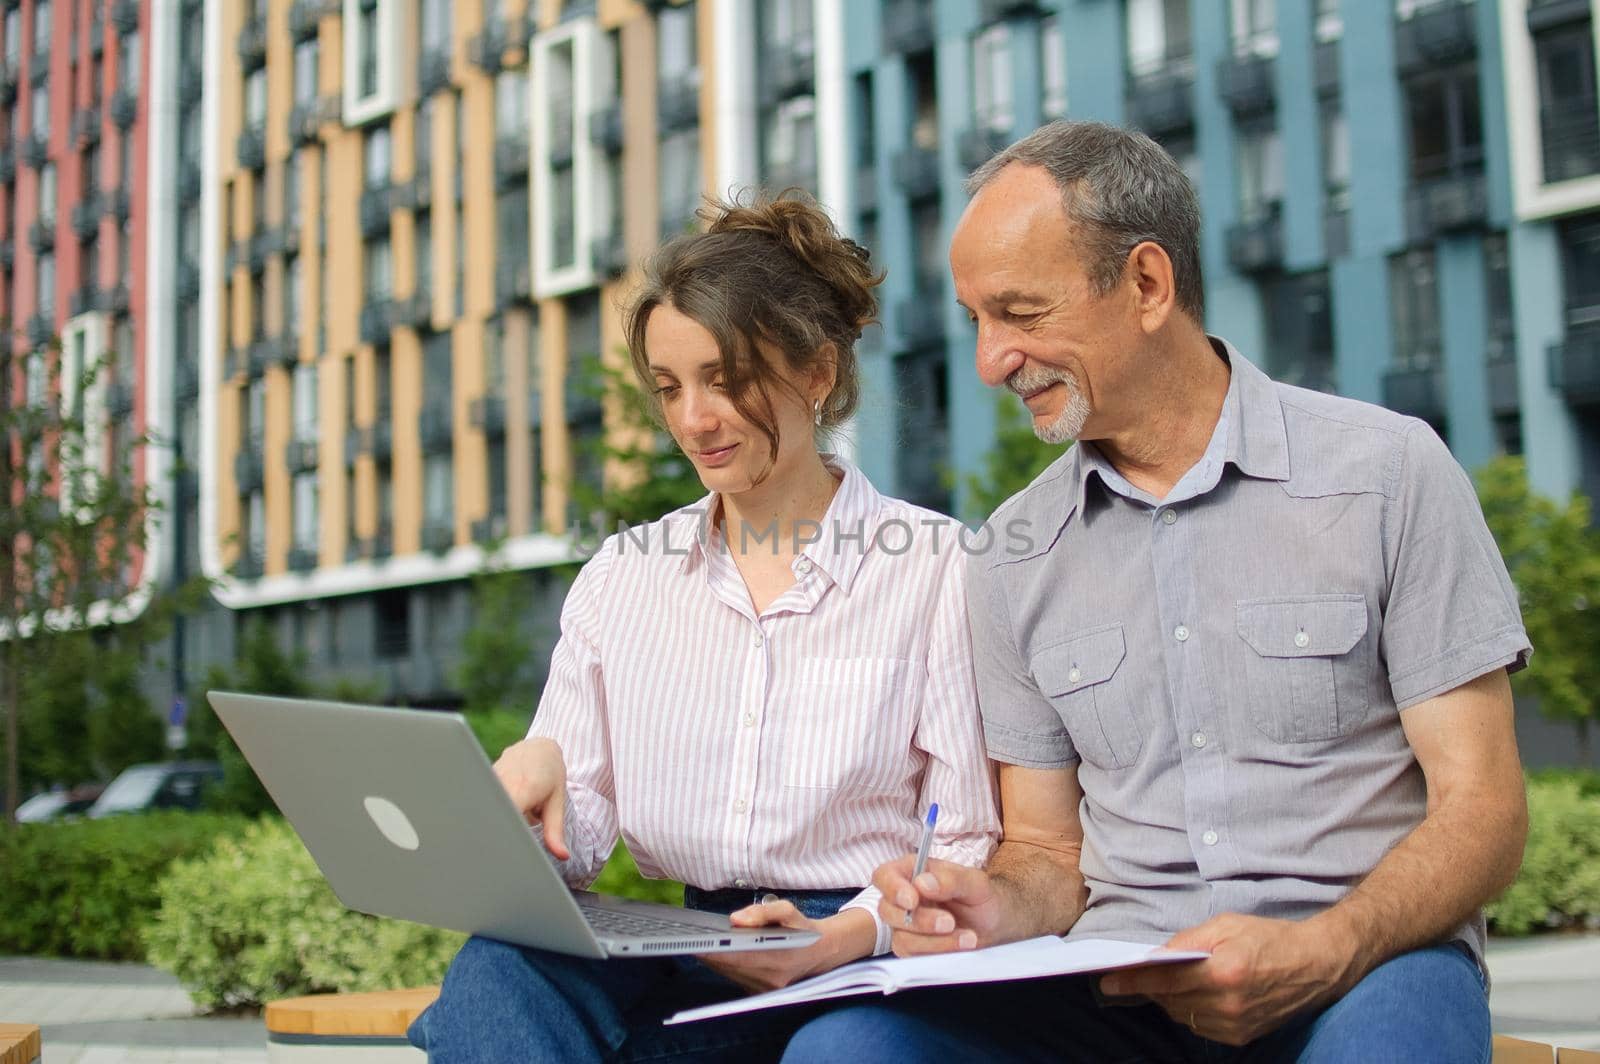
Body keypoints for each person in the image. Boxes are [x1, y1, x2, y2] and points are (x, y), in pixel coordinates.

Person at [782, 121, 1531, 1063]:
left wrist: (1328, 947)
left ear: (1145, 284)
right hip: (1122, 992)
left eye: (1019, 311)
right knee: (849, 1049)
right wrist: (989, 904)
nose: (990, 361)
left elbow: (1486, 808)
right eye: (977, 319)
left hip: (1362, 965)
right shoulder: (1012, 551)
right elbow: (1049, 858)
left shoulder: (1387, 473)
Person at [407, 192, 999, 1063]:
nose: (693, 419)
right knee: (500, 974)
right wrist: (537, 811)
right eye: (670, 387)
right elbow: (588, 820)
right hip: (686, 941)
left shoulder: (937, 567)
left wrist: (853, 933)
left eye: (727, 379)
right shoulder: (624, 576)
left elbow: (965, 836)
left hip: (861, 954)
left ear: (816, 374)